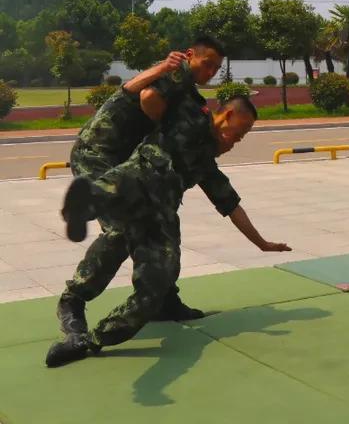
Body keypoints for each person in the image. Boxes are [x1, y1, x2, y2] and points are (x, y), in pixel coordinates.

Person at [47, 94, 289, 368]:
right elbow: (148, 98)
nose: (237, 142)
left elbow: (231, 204)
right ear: (227, 117)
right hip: (111, 166)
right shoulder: (183, 121)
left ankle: (106, 332)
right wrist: (174, 72)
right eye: (239, 133)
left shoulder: (205, 163)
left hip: (157, 208)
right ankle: (73, 298)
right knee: (119, 232)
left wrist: (262, 243)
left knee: (160, 273)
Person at [58, 36, 226, 335]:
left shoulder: (186, 89)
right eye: (207, 63)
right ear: (190, 56)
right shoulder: (173, 74)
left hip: (130, 163)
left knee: (160, 223)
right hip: (98, 154)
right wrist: (163, 66)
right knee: (122, 231)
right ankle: (73, 300)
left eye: (216, 68)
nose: (210, 71)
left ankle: (163, 298)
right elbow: (135, 91)